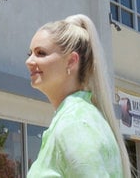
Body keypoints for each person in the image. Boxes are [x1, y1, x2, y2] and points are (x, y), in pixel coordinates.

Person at [25, 14, 131, 178]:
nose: (29, 61)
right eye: (30, 53)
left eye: (41, 53)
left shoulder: (75, 124)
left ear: (71, 61)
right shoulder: (77, 118)